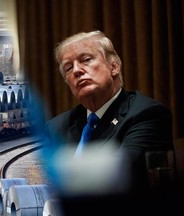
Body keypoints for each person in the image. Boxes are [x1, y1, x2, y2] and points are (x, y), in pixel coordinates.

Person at [42, 30, 177, 215]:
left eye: (86, 59)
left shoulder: (146, 114)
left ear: (114, 66)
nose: (77, 70)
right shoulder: (57, 127)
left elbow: (121, 173)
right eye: (68, 68)